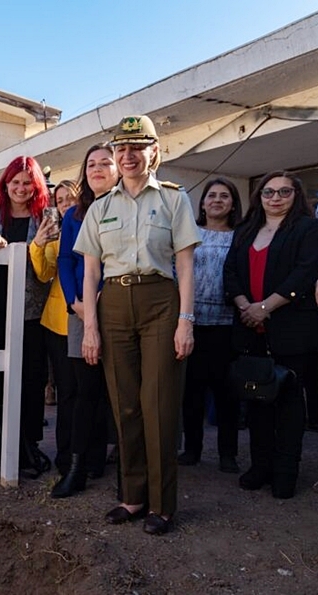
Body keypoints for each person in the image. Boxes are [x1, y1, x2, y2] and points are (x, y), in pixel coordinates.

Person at [75, 115, 200, 536]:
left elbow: (185, 265)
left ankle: (162, 505)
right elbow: (91, 273)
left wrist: (186, 320)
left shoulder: (172, 199)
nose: (127, 155)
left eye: (136, 147)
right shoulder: (101, 206)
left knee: (158, 402)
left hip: (160, 301)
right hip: (112, 304)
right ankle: (132, 496)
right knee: (124, 403)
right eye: (121, 149)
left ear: (154, 153)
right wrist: (90, 328)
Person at [223, 171, 318, 499]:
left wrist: (266, 307)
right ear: (259, 197)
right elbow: (230, 272)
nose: (275, 198)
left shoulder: (307, 229)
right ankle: (260, 466)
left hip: (290, 329)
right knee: (257, 398)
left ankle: (285, 472)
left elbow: (305, 273)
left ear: (296, 195)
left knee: (289, 403)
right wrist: (245, 306)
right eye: (268, 192)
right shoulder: (245, 230)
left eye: (284, 192)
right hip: (249, 327)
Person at [52, 144, 119, 498]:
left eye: (105, 163)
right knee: (84, 392)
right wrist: (75, 302)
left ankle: (124, 466)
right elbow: (65, 260)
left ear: (118, 168)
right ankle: (77, 468)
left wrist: (103, 296)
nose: (97, 168)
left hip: (120, 307)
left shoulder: (128, 206)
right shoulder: (74, 214)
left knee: (120, 392)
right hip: (80, 311)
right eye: (91, 163)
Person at [0, 156, 51, 477]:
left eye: (28, 182)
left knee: (31, 378)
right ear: (6, 184)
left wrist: (35, 247)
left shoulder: (44, 218)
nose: (21, 188)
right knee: (0, 381)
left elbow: (47, 267)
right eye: (15, 182)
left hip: (32, 311)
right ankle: (6, 444)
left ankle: (30, 444)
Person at [178, 178, 243, 473]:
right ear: (202, 203)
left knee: (226, 392)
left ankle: (227, 454)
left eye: (224, 196)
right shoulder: (188, 233)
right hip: (191, 322)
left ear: (232, 204)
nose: (217, 200)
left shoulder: (241, 237)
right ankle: (192, 449)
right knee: (191, 391)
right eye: (211, 195)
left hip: (227, 324)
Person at [31, 180, 79, 477]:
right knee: (66, 392)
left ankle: (88, 453)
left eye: (69, 197)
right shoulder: (54, 233)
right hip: (57, 321)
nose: (63, 203)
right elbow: (44, 272)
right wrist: (39, 243)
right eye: (59, 200)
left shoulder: (89, 223)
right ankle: (65, 456)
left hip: (90, 315)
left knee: (88, 392)